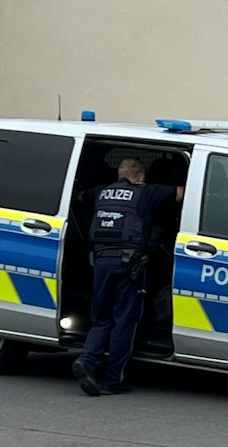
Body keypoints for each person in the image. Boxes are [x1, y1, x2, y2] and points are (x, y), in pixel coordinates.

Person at [72, 157, 181, 396]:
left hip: (100, 262)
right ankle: (112, 380)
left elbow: (79, 196)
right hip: (128, 265)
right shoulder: (147, 193)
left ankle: (87, 361)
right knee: (125, 320)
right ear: (141, 176)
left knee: (102, 319)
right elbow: (183, 194)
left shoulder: (100, 192)